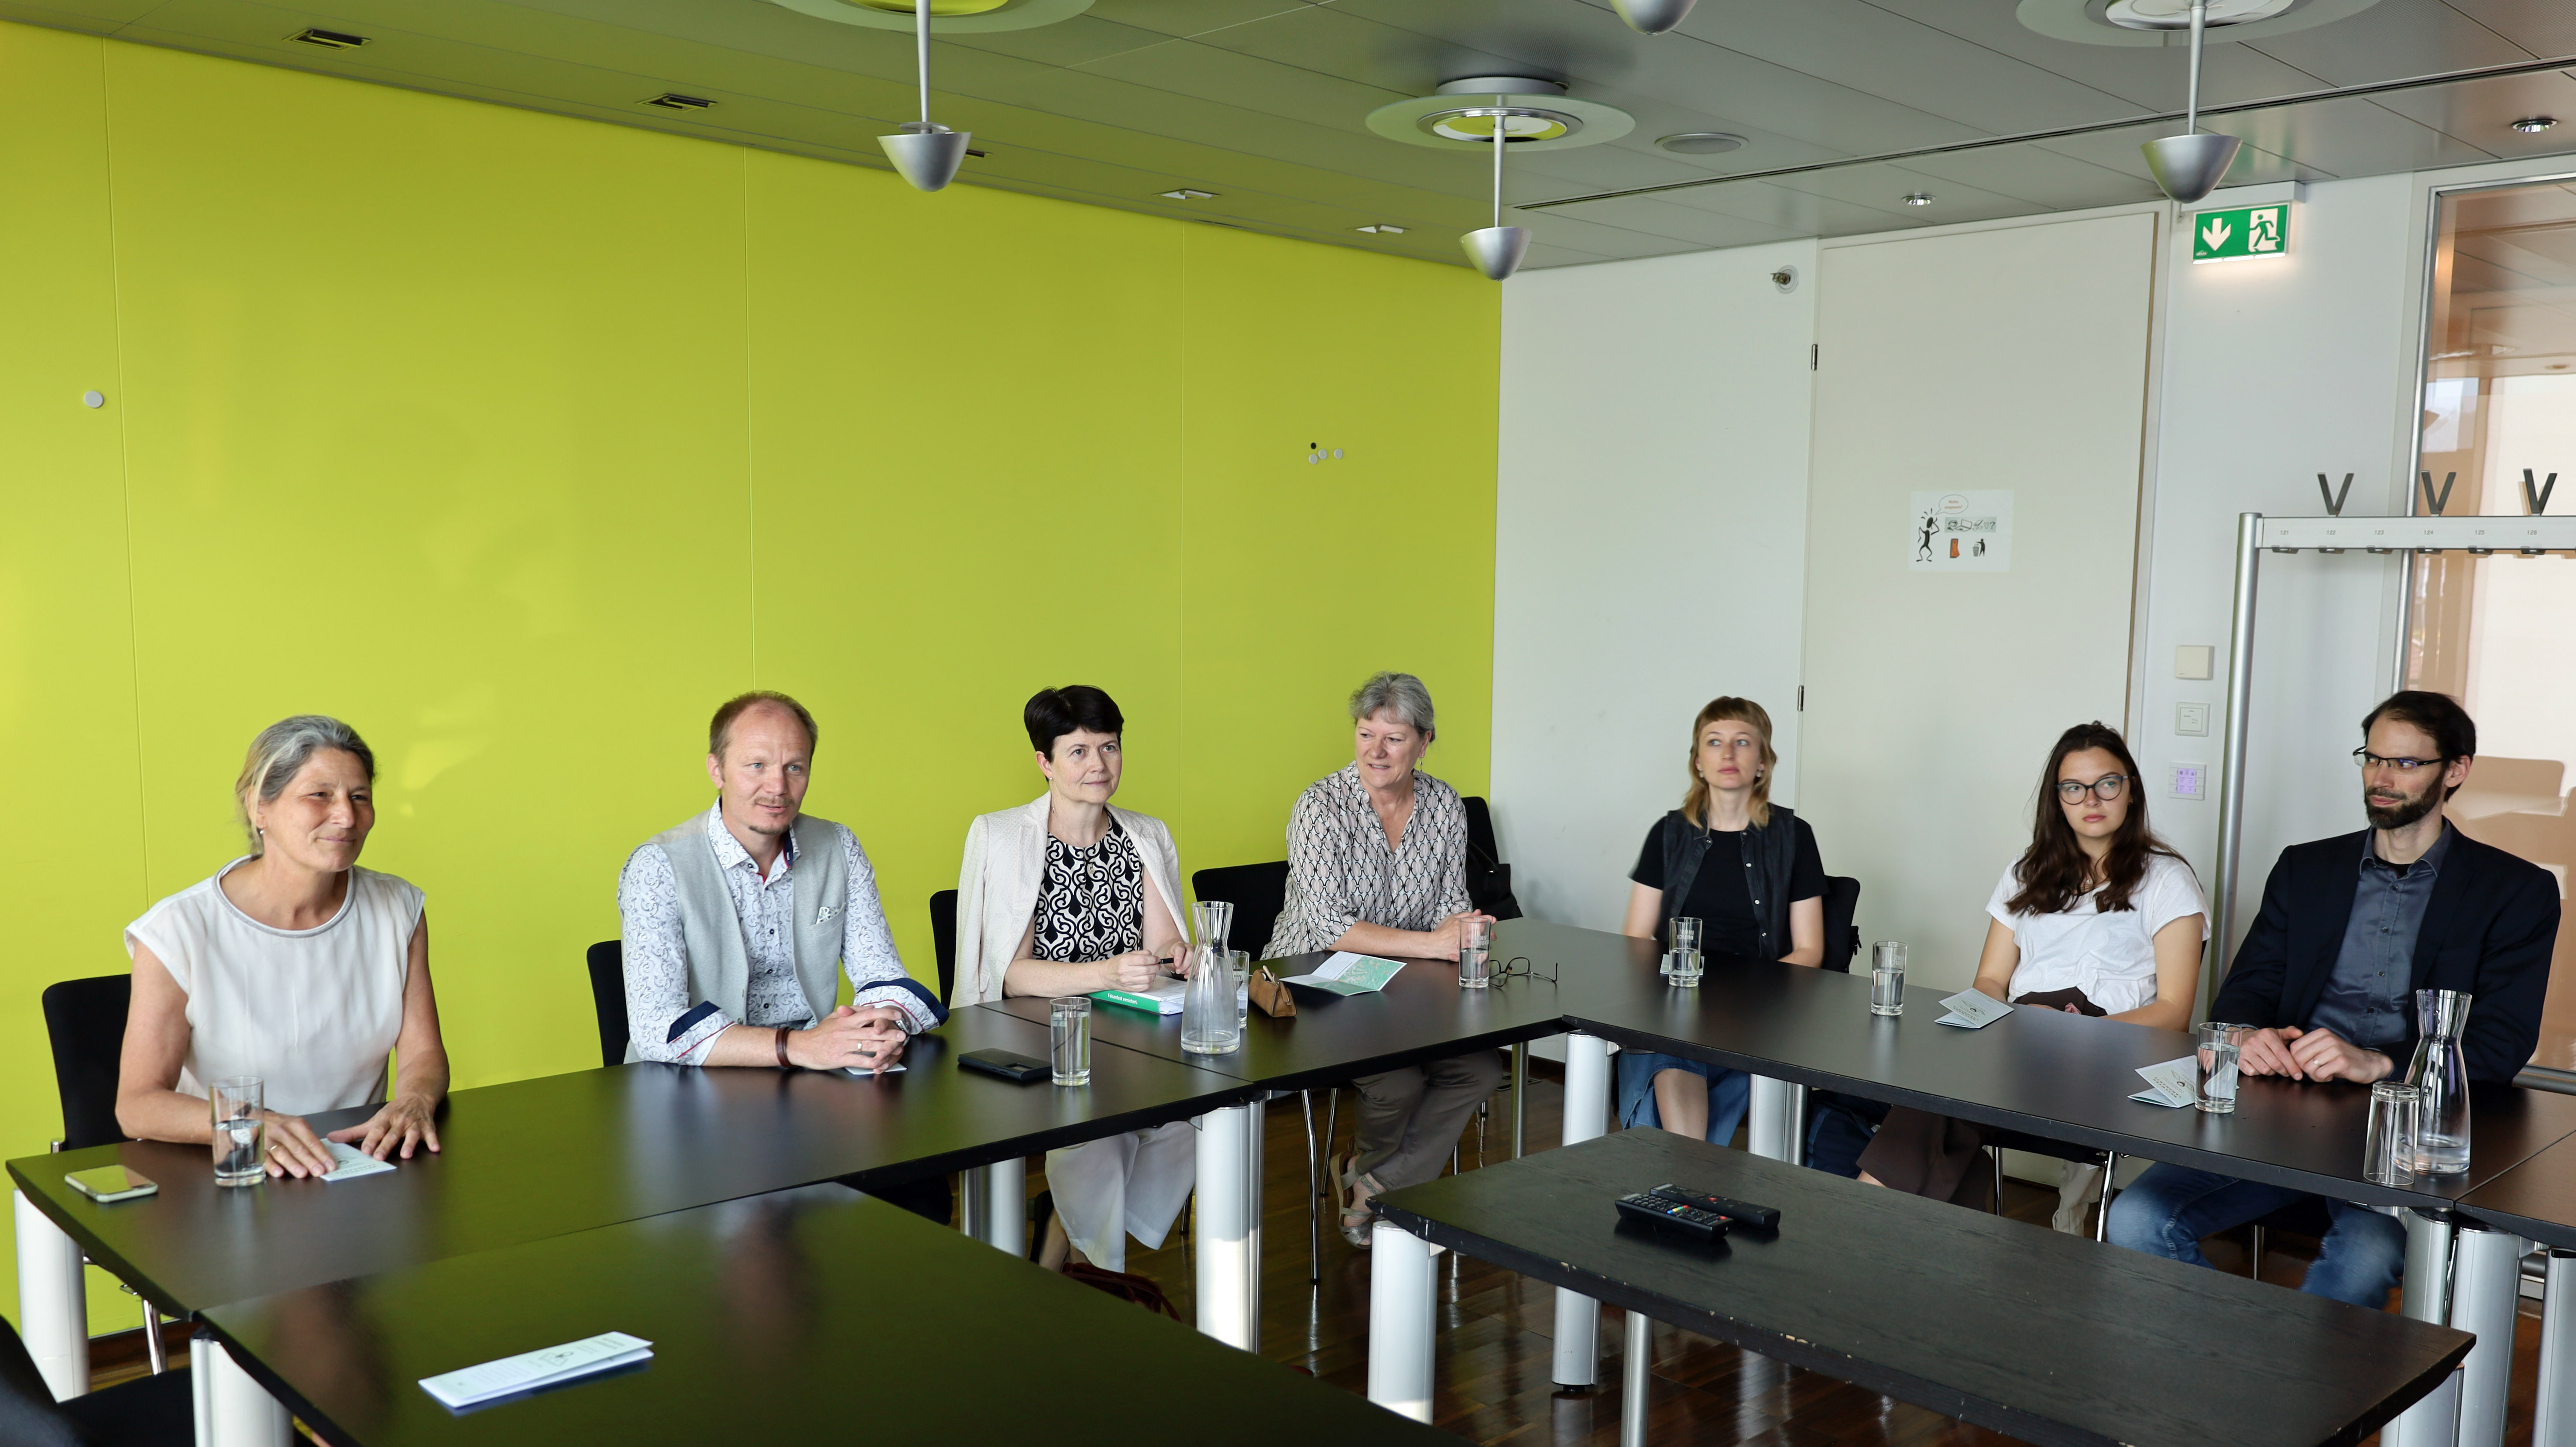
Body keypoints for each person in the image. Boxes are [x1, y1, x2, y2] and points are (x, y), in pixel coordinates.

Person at [2108, 691, 2559, 1306]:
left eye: (2404, 764)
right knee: (2134, 1218)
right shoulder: (2305, 869)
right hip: (2281, 1117)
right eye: (2371, 759)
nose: (2380, 777)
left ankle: (2292, 1391)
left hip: (2403, 1135)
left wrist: (2375, 1063)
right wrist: (2243, 1035)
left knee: (2361, 1262)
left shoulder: (2514, 892)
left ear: (2454, 770)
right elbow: (2246, 988)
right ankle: (2242, 1375)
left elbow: (2499, 1043)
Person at [617, 691, 950, 1220]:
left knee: (920, 1188)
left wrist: (881, 1026)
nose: (777, 786)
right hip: (695, 1103)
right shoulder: (657, 866)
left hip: (813, 1091)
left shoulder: (838, 846)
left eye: (794, 767)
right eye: (756, 765)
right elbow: (658, 1027)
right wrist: (802, 1046)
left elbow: (884, 976)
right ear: (716, 769)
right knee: (757, 1219)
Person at [1855, 723, 2204, 1225]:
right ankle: (1909, 1232)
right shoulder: (2027, 870)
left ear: (2131, 788)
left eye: (2107, 783)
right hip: (2020, 1034)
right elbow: (1990, 981)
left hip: (2109, 1046)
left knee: (1944, 1097)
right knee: (1932, 1082)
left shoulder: (2166, 879)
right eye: (2073, 788)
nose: (2091, 799)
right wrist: (2004, 1026)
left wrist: (2068, 1033)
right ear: (2056, 799)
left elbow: (2173, 1013)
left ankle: (1865, 1217)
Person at [117, 716, 449, 1177]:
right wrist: (254, 1125)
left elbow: (423, 1054)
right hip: (235, 1174)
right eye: (320, 795)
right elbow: (137, 1105)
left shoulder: (398, 907)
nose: (347, 816)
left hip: (358, 1170)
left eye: (360, 797)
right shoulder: (179, 929)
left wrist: (413, 1100)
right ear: (259, 806)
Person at [954, 686, 1195, 1273]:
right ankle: (1089, 1266)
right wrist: (1104, 972)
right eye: (1079, 752)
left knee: (1200, 1122)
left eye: (1108, 748)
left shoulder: (1145, 835)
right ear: (1045, 763)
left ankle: (1068, 1241)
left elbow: (1162, 946)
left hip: (1132, 1035)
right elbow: (1010, 977)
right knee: (1101, 1138)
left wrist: (1177, 954)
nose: (1098, 765)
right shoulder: (1002, 835)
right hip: (1038, 1035)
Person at [1266, 672, 1499, 1248]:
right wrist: (1434, 943)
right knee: (1395, 1083)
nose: (1375, 751)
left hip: (1402, 985)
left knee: (1481, 1068)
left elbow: (1450, 906)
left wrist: (1464, 930)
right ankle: (1381, 1181)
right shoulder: (1320, 807)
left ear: (1424, 742)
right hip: (1310, 979)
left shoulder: (1444, 805)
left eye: (1393, 738)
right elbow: (1329, 929)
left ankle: (1373, 1180)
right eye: (1365, 734)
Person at [1615, 697, 1826, 1146]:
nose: (1727, 755)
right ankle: (1694, 1176)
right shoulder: (1668, 833)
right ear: (1697, 761)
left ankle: (1683, 1183)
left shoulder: (1793, 836)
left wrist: (1757, 998)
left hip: (1760, 1009)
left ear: (1762, 762)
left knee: (1680, 1053)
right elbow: (1635, 936)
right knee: (1674, 1042)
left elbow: (1810, 948)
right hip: (1678, 1001)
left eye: (1742, 742)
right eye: (1714, 743)